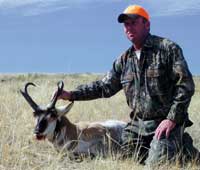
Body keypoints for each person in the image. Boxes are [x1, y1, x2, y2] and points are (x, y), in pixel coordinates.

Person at [54, 4, 199, 166]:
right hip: (137, 127)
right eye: (126, 24)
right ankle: (178, 149)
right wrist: (71, 95)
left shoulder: (167, 49)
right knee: (123, 161)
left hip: (164, 124)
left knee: (156, 165)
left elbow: (185, 85)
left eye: (133, 22)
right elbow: (104, 87)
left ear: (147, 24)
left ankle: (180, 146)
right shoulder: (124, 60)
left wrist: (172, 119)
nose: (129, 27)